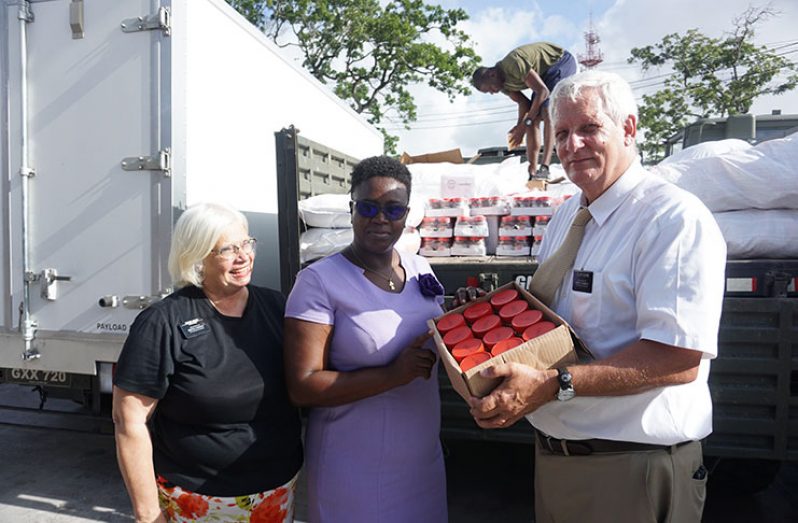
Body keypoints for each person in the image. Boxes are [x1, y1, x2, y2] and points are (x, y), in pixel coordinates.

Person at [468, 70, 727, 523]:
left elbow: (678, 359)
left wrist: (554, 385)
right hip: (557, 461)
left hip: (631, 471)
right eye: (563, 133)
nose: (572, 145)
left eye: (589, 128)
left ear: (628, 128)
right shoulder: (567, 215)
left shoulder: (672, 219)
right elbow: (555, 322)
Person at [112, 203, 303, 523]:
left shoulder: (277, 307)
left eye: (246, 244)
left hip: (277, 493)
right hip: (196, 502)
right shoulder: (162, 323)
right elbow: (128, 420)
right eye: (228, 249)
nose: (243, 256)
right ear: (198, 255)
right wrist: (147, 513)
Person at [284, 156, 448, 523]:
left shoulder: (419, 267)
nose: (380, 219)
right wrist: (392, 375)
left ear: (406, 215)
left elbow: (433, 336)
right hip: (353, 467)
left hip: (422, 460)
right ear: (352, 209)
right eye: (368, 207)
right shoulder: (318, 281)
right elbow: (302, 386)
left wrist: (466, 318)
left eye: (392, 210)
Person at [472, 42, 577, 179]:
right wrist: (519, 127)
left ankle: (545, 167)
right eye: (488, 93)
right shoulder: (502, 85)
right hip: (542, 77)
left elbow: (543, 92)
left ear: (492, 74)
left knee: (547, 112)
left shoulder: (513, 63)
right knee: (532, 121)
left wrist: (524, 124)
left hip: (560, 62)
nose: (492, 92)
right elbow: (524, 103)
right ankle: (532, 170)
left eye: (490, 88)